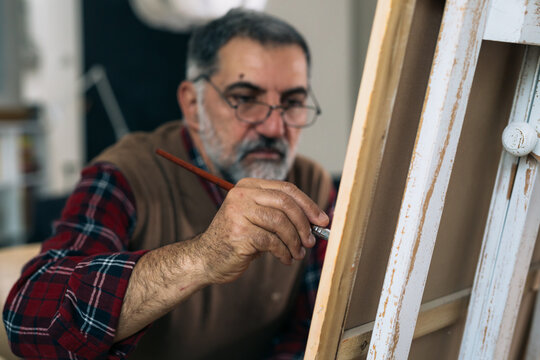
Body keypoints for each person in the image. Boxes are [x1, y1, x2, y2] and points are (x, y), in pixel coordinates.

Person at [3, 8, 335, 359]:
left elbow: (310, 327)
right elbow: (29, 319)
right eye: (246, 98)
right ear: (192, 104)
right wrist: (203, 256)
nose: (273, 127)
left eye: (293, 102)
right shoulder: (125, 174)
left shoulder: (310, 182)